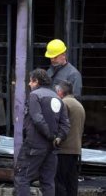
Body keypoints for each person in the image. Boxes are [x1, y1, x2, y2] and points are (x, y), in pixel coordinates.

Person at [14, 68, 70, 196]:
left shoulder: (35, 95)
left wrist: (50, 135)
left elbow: (37, 119)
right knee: (48, 181)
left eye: (31, 81)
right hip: (52, 149)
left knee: (22, 176)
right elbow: (66, 124)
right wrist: (58, 138)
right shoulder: (57, 97)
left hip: (34, 145)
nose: (29, 84)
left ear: (36, 81)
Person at [55, 80, 86, 196]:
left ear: (60, 92)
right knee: (71, 182)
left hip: (64, 148)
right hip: (75, 149)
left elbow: (60, 125)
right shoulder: (79, 105)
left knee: (58, 181)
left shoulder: (63, 104)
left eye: (56, 91)